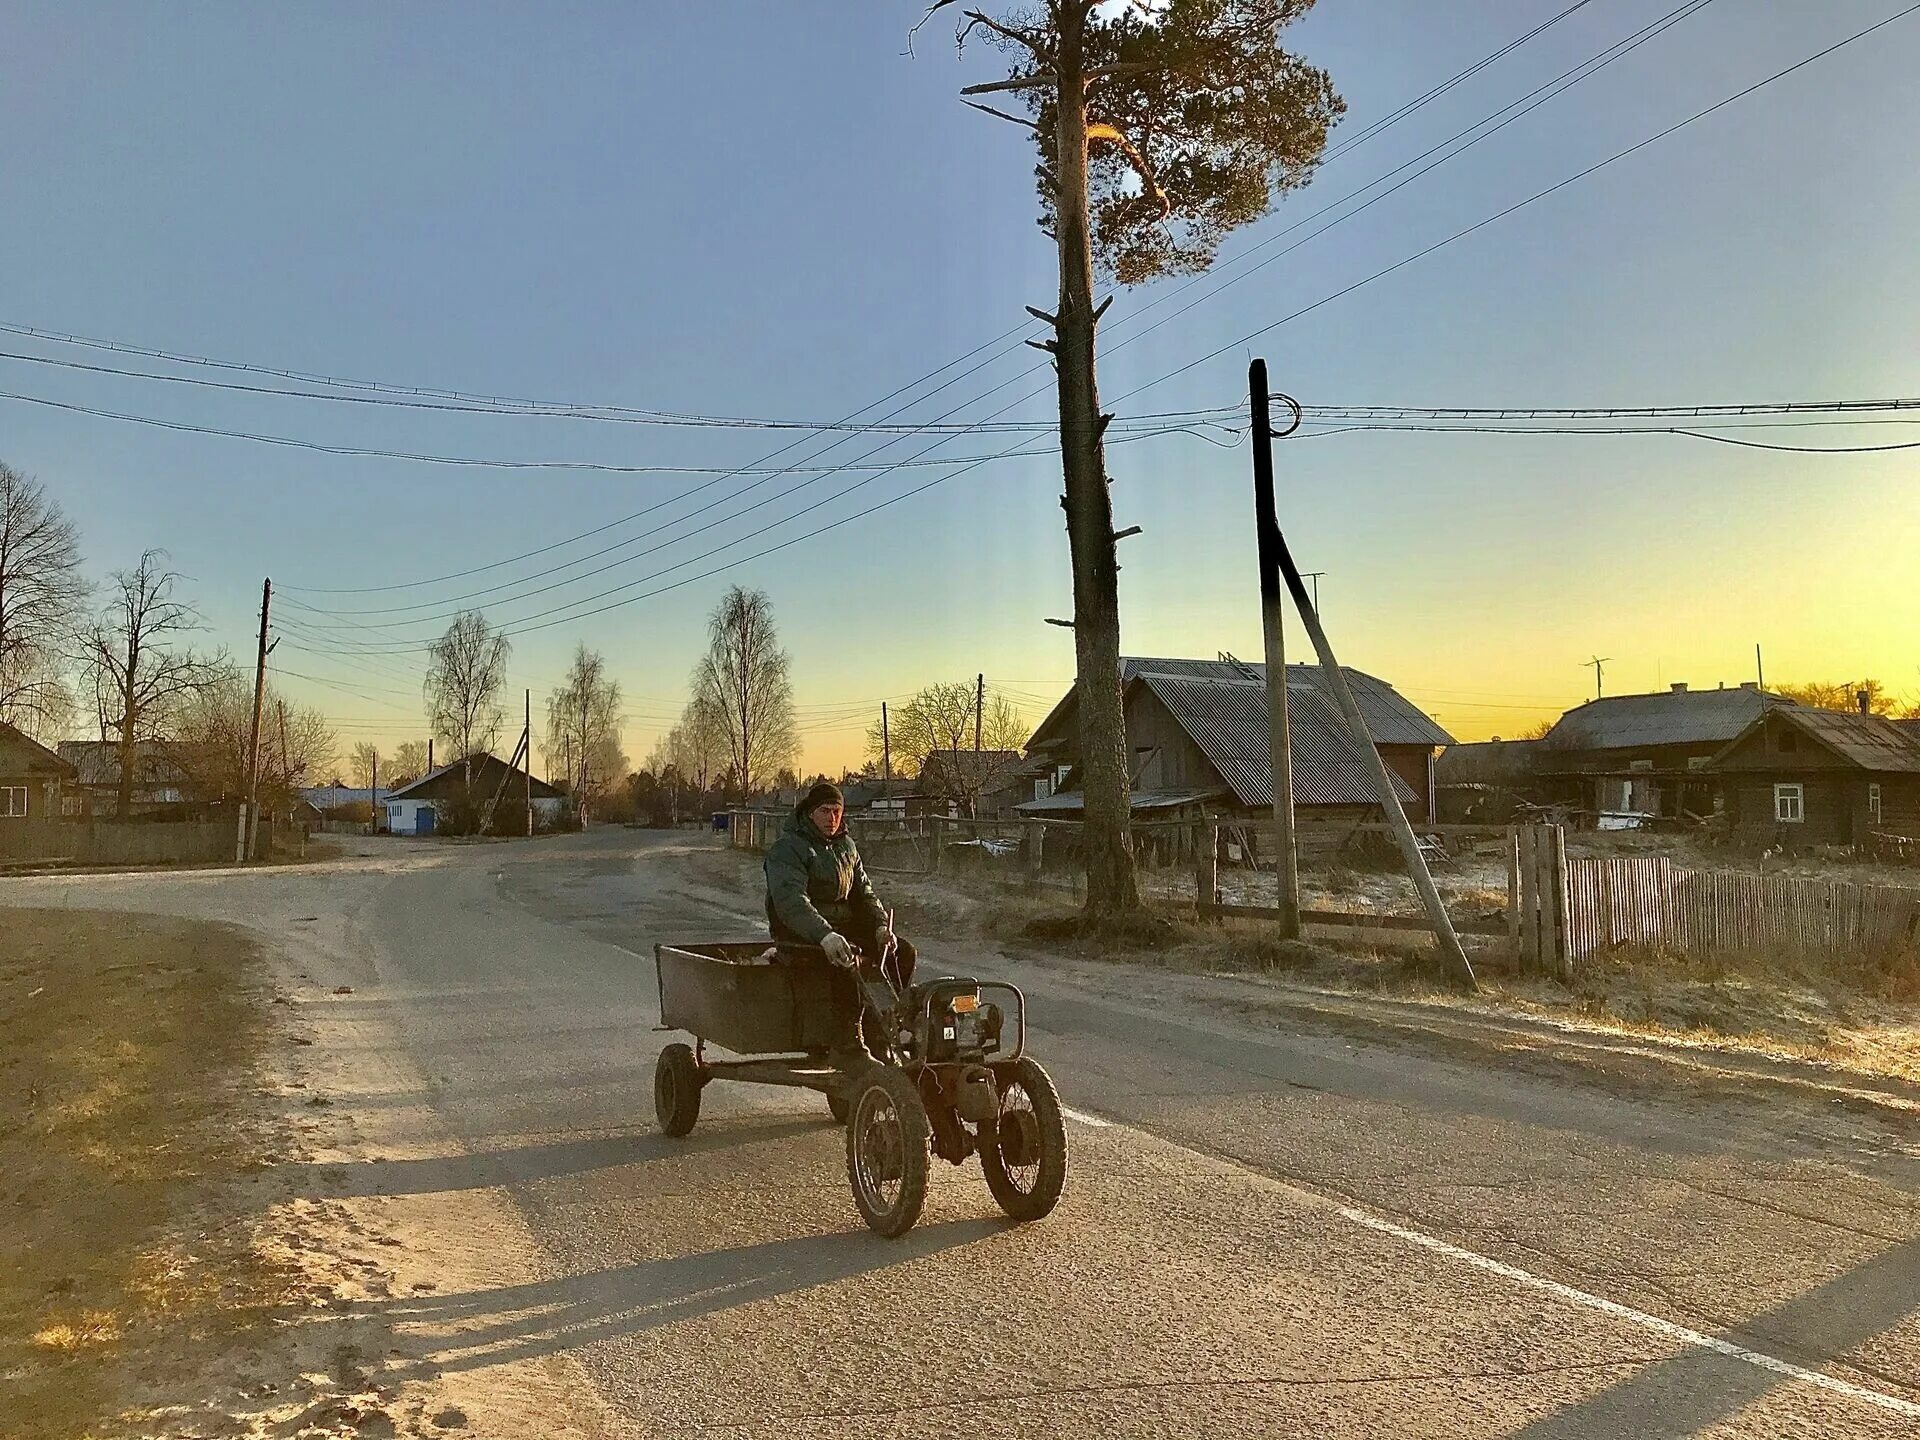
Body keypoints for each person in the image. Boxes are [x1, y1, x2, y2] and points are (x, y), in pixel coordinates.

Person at [763, 780, 917, 1072]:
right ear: (810, 812)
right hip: (800, 934)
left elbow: (864, 893)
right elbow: (791, 902)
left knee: (903, 953)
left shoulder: (847, 847)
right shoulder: (788, 848)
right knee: (849, 963)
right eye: (825, 811)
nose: (832, 818)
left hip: (842, 932)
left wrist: (880, 927)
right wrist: (824, 935)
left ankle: (877, 1031)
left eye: (837, 811)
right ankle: (846, 1043)